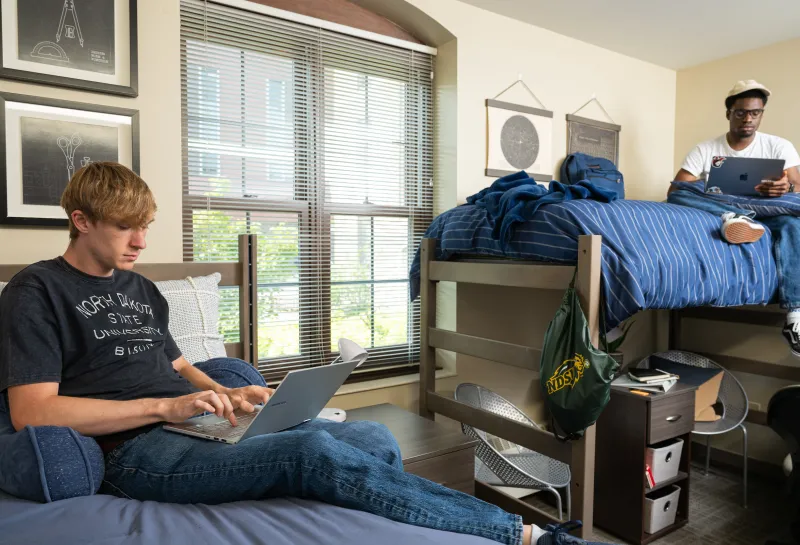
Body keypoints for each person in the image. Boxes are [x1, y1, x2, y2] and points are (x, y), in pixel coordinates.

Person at [0, 162, 573, 545]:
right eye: (127, 228)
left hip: (198, 423)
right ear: (80, 221)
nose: (142, 241)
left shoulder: (141, 288)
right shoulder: (35, 292)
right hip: (134, 452)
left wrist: (228, 394)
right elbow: (33, 412)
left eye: (144, 226)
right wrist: (165, 409)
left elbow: (176, 366)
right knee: (310, 453)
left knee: (372, 438)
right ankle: (524, 535)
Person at [670, 80, 800, 356]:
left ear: (762, 113)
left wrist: (785, 187)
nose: (749, 118)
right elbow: (677, 188)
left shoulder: (779, 146)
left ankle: (795, 317)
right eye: (741, 112)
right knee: (679, 193)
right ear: (728, 113)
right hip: (724, 207)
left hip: (770, 209)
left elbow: (798, 187)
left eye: (756, 112)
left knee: (792, 223)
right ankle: (735, 216)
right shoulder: (706, 149)